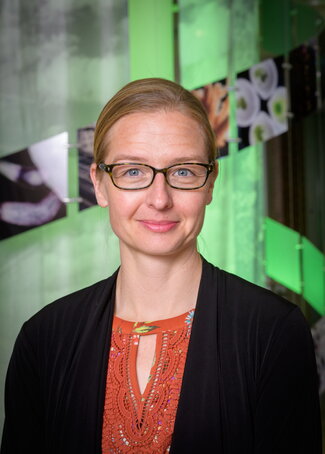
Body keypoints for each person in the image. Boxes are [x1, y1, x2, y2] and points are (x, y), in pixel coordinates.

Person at [1, 78, 322, 454]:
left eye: (183, 171)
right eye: (133, 171)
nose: (159, 199)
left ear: (210, 183)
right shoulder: (43, 340)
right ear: (100, 186)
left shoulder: (273, 332)